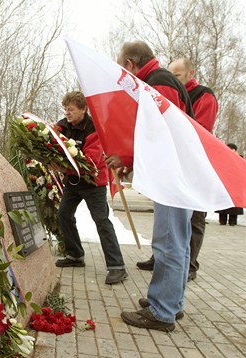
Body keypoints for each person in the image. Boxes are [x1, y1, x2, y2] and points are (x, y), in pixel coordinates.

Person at [106, 41, 195, 331]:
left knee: (168, 243)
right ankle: (171, 301)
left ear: (131, 64)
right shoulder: (162, 81)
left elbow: (160, 135)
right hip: (178, 172)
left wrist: (127, 157)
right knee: (178, 243)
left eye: (122, 67)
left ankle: (162, 311)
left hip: (172, 174)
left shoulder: (159, 84)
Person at [136, 57, 219, 282]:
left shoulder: (204, 95)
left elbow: (198, 130)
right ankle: (160, 260)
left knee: (193, 219)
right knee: (170, 225)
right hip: (172, 165)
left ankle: (189, 265)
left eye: (178, 75)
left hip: (193, 164)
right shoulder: (170, 88)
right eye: (171, 74)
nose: (173, 79)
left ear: (191, 73)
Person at [52, 91, 128, 285]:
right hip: (73, 182)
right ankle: (75, 255)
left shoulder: (94, 128)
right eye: (66, 109)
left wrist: (63, 166)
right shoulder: (62, 125)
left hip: (93, 182)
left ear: (83, 109)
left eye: (72, 110)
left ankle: (117, 266)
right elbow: (51, 143)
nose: (67, 113)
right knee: (64, 215)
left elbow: (90, 160)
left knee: (101, 221)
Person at [216, 143, 244, 226]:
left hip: (236, 184)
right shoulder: (222, 158)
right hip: (225, 183)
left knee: (234, 204)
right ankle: (222, 220)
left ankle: (232, 221)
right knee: (223, 202)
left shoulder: (239, 159)